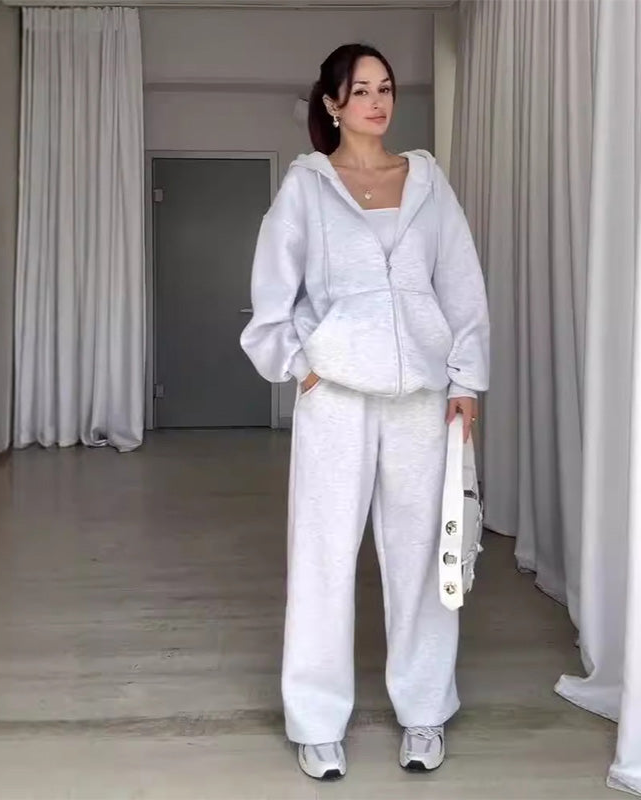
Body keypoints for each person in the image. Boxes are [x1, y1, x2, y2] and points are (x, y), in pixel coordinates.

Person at [240, 43, 490, 780]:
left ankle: (425, 711)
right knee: (322, 557)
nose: (378, 103)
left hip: (421, 400)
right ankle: (318, 721)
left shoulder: (428, 183)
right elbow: (271, 296)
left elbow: (462, 286)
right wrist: (301, 365)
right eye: (361, 91)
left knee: (423, 557)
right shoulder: (306, 188)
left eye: (385, 88)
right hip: (338, 397)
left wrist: (465, 381)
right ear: (333, 104)